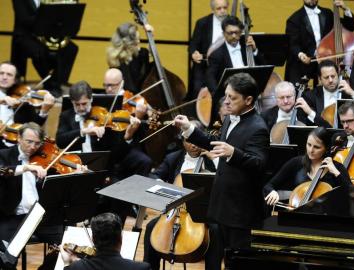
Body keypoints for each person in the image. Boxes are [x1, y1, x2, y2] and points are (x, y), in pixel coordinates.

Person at [174, 72, 269, 269]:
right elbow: (213, 144)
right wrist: (189, 129)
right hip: (221, 208)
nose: (226, 102)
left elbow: (260, 164)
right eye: (226, 96)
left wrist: (234, 153)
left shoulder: (258, 127)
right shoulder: (229, 119)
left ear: (248, 100)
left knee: (236, 265)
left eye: (232, 98)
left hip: (240, 214)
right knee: (214, 262)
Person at [143, 120, 217, 270]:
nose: (194, 145)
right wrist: (164, 187)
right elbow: (153, 176)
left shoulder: (213, 159)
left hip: (205, 212)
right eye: (189, 141)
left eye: (197, 140)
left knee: (215, 231)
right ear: (183, 140)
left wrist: (215, 160)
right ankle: (149, 267)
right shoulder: (174, 158)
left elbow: (224, 181)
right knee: (151, 226)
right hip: (176, 211)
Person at [56, 80, 151, 178]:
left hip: (101, 166)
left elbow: (117, 150)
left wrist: (128, 136)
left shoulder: (104, 116)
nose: (81, 108)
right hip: (76, 166)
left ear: (91, 99)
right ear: (72, 102)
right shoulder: (66, 116)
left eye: (84, 104)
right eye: (77, 104)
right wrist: (83, 131)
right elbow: (60, 141)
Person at [0, 122, 60, 251]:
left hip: (40, 217)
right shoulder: (4, 155)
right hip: (12, 217)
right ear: (19, 138)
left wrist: (76, 170)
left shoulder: (44, 158)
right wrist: (26, 167)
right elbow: (2, 171)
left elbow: (60, 178)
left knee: (64, 243)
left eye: (37, 143)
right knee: (5, 254)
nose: (33, 147)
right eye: (29, 141)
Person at [263, 127, 351, 206]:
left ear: (326, 148)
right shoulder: (296, 163)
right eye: (309, 144)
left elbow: (351, 194)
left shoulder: (337, 167)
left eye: (316, 147)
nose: (311, 150)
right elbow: (268, 186)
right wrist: (272, 191)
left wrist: (336, 172)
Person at [11, 0, 79, 96]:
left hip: (44, 35)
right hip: (25, 36)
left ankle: (58, 83)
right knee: (39, 51)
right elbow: (24, 19)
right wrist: (48, 17)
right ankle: (49, 85)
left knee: (72, 49)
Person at [284, 0, 354, 85]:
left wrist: (345, 9)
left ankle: (345, 90)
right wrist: (301, 54)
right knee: (295, 73)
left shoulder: (327, 13)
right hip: (308, 60)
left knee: (346, 71)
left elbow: (350, 27)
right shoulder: (294, 19)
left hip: (328, 59)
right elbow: (292, 44)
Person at [60, 212, 151, 270]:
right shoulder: (142, 268)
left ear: (93, 239)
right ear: (120, 238)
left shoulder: (76, 267)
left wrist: (67, 264)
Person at [296, 60, 354, 127]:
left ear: (338, 75)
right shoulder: (310, 96)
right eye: (326, 77)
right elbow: (306, 123)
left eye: (333, 76)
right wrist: (310, 113)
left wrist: (353, 94)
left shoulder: (348, 93)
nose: (330, 80)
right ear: (320, 79)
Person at [188, 0, 229, 99]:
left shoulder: (233, 22)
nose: (222, 11)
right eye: (219, 8)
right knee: (197, 90)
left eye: (224, 7)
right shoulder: (202, 23)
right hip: (205, 64)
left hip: (225, 64)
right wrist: (194, 53)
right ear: (213, 10)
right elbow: (193, 45)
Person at [106, 22, 153, 94]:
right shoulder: (141, 54)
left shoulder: (114, 57)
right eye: (137, 40)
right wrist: (151, 37)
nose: (139, 41)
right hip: (131, 101)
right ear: (129, 43)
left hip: (126, 100)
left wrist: (151, 38)